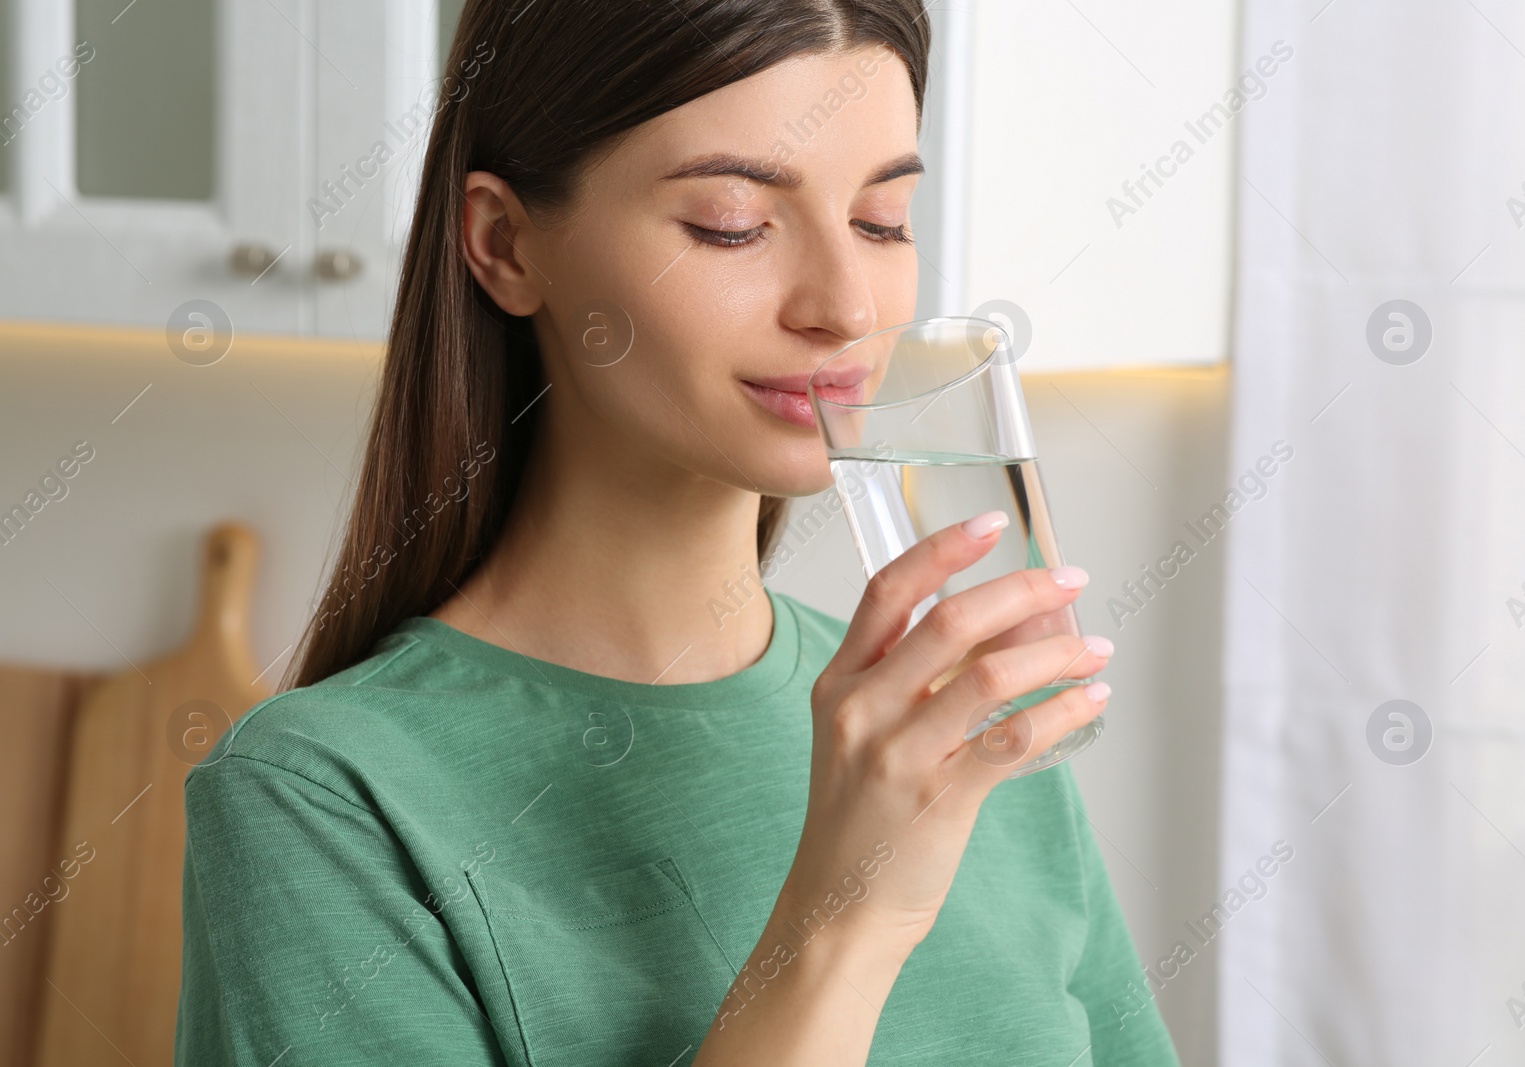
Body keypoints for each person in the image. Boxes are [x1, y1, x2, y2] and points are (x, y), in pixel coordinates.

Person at [173, 1, 1181, 1064]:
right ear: (505, 244)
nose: (844, 305)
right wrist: (845, 923)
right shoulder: (321, 800)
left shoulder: (951, 717)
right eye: (732, 223)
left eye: (882, 221)